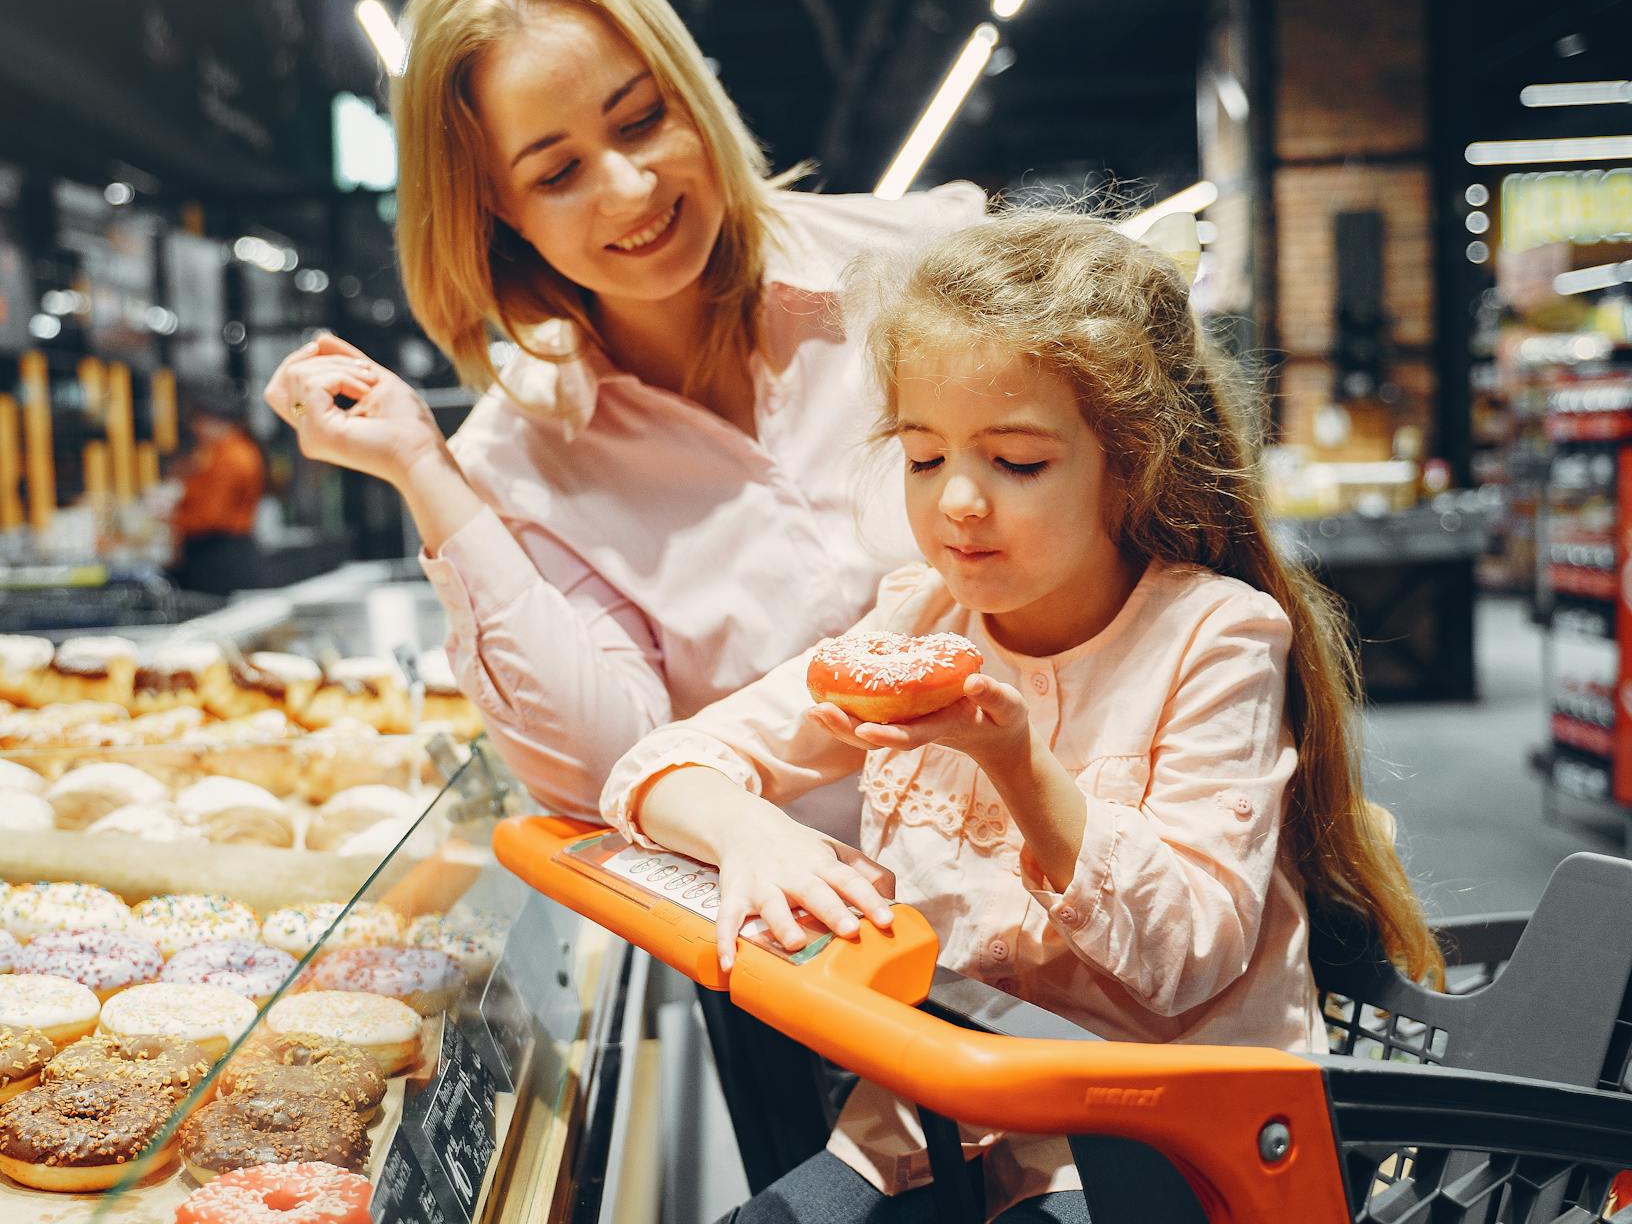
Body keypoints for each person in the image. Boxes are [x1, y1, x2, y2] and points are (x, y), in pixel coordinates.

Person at [598, 209, 1444, 1222]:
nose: (958, 499)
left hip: (1167, 1139)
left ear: (1130, 463)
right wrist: (749, 833)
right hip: (933, 1113)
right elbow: (657, 764)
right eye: (922, 456)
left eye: (1017, 461)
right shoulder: (918, 617)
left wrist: (1018, 761)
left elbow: (1188, 957)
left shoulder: (1213, 637)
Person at [262, 0, 983, 834]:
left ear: (691, 93)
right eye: (557, 173)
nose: (630, 188)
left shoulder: (932, 269)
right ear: (496, 207)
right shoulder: (518, 461)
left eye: (641, 120)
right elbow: (599, 775)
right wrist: (427, 473)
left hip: (1090, 915)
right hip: (808, 948)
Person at [168, 380, 265, 594]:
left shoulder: (231, 457)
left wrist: (173, 520)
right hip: (224, 552)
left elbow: (212, 516)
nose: (196, 429)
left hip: (219, 555)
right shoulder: (234, 451)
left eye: (199, 421)